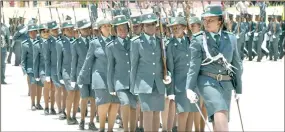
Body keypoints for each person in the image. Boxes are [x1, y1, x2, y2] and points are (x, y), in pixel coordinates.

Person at [186, 5, 243, 131]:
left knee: (219, 118)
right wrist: (189, 88)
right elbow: (193, 66)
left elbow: (237, 64)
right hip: (207, 82)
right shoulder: (199, 39)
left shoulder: (231, 38)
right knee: (220, 110)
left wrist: (238, 88)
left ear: (220, 21)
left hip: (226, 83)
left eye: (211, 20)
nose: (206, 23)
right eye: (205, 20)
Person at [130, 13, 169, 132]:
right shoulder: (136, 42)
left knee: (156, 113)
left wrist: (168, 75)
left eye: (153, 24)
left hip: (158, 82)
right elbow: (134, 65)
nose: (151, 27)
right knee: (147, 112)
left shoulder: (161, 41)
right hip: (143, 83)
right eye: (147, 25)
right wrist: (133, 87)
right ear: (142, 27)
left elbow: (165, 63)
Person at [166, 16, 199, 132]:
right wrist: (170, 91)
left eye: (177, 27)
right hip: (179, 86)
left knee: (191, 114)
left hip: (193, 84)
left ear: (184, 28)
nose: (174, 30)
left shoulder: (191, 41)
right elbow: (170, 69)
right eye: (173, 28)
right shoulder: (170, 45)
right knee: (182, 114)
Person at [106, 15, 138, 131]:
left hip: (133, 82)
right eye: (119, 29)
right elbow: (110, 68)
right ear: (115, 31)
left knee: (134, 106)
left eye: (124, 28)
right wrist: (111, 87)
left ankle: (133, 129)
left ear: (128, 29)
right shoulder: (111, 46)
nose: (122, 31)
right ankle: (126, 129)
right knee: (125, 103)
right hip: (120, 82)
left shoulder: (134, 43)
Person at [71, 19, 97, 130]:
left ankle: (91, 122)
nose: (86, 30)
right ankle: (82, 120)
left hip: (93, 74)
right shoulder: (76, 44)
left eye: (87, 28)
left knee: (94, 99)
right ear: (79, 31)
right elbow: (74, 62)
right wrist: (73, 78)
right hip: (82, 75)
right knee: (84, 98)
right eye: (83, 29)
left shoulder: (95, 42)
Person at [56, 20, 80, 125]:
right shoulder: (60, 43)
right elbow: (59, 60)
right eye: (67, 29)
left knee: (77, 94)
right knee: (71, 92)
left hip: (77, 71)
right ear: (63, 31)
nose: (70, 31)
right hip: (67, 71)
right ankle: (68, 115)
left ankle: (74, 115)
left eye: (71, 28)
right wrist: (59, 75)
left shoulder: (77, 41)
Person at [21, 24, 43, 110]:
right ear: (28, 33)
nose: (33, 33)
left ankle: (38, 103)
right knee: (33, 85)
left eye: (35, 31)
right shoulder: (25, 44)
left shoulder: (41, 42)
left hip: (40, 68)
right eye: (31, 32)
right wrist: (24, 70)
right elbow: (23, 58)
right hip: (31, 68)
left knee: (40, 85)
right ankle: (33, 103)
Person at [44, 20, 62, 115]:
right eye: (53, 29)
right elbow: (47, 60)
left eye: (56, 29)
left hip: (62, 68)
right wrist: (47, 74)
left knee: (56, 89)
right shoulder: (47, 43)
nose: (55, 31)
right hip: (53, 69)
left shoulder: (62, 39)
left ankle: (53, 107)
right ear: (49, 31)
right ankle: (50, 108)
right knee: (55, 88)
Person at [33, 23, 52, 115]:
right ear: (40, 33)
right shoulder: (37, 45)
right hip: (43, 69)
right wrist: (36, 74)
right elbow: (35, 61)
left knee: (53, 88)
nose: (46, 33)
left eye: (48, 31)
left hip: (52, 68)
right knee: (47, 85)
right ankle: (46, 107)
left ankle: (52, 107)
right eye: (44, 32)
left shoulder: (53, 42)